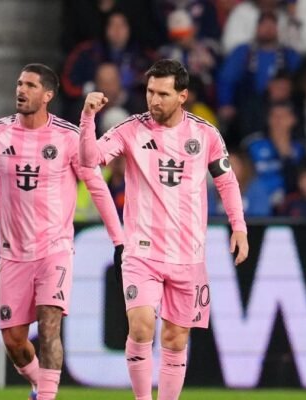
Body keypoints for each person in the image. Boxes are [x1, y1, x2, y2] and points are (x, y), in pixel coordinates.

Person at [79, 59, 249, 400]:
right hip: (141, 251)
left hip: (188, 254)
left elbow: (226, 181)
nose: (154, 100)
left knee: (175, 337)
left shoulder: (205, 134)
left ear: (182, 96)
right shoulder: (131, 129)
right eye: (150, 92)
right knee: (141, 327)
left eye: (163, 94)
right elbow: (89, 159)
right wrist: (87, 119)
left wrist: (239, 227)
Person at [0, 63, 124, 400]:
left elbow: (97, 187)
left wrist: (119, 240)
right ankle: (39, 386)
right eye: (20, 83)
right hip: (13, 254)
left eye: (31, 85)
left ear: (47, 95)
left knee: (49, 327)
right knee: (14, 341)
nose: (21, 90)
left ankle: (47, 396)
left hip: (54, 250)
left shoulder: (67, 137)